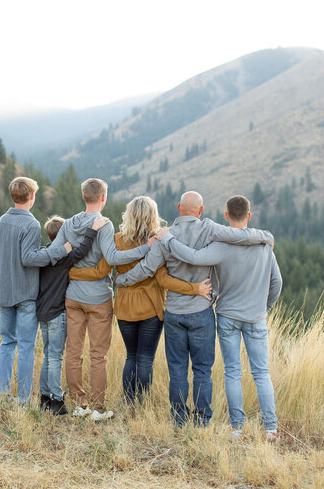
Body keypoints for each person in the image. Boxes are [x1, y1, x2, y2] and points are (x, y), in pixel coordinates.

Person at [115, 191, 274, 427]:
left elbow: (148, 268)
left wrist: (122, 280)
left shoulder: (164, 236)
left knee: (177, 369)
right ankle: (201, 420)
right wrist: (266, 235)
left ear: (179, 207)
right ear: (200, 211)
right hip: (201, 312)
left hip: (174, 313)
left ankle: (179, 419)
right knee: (202, 370)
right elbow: (240, 235)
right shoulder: (209, 229)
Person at [158, 195, 282, 440]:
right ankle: (270, 428)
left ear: (226, 215)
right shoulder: (264, 246)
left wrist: (168, 239)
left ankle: (236, 427)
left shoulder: (221, 245)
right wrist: (264, 307)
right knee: (261, 372)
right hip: (255, 316)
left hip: (227, 316)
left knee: (233, 372)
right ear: (249, 215)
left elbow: (192, 257)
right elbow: (276, 283)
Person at [70, 195, 212, 405]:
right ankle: (142, 403)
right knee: (145, 358)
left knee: (131, 356)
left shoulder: (117, 240)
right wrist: (194, 289)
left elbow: (100, 270)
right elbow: (163, 279)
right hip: (151, 307)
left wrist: (71, 273)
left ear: (129, 215)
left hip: (125, 308)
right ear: (152, 216)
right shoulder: (159, 240)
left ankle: (128, 402)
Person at [51, 178, 153, 421]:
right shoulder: (104, 224)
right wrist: (146, 248)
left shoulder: (68, 223)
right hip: (98, 297)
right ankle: (98, 408)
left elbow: (56, 253)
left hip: (72, 295)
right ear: (103, 198)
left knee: (73, 352)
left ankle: (79, 404)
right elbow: (113, 257)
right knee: (98, 355)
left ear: (83, 197)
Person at [0, 176, 72, 404]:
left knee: (6, 342)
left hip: (3, 293)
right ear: (31, 196)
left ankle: (2, 394)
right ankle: (23, 398)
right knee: (25, 346)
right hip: (25, 294)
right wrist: (59, 251)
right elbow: (29, 258)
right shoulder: (31, 224)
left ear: (13, 195)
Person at [36, 214, 109, 416]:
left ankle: (47, 396)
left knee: (50, 355)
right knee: (57, 356)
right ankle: (58, 399)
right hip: (58, 311)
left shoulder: (43, 255)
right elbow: (83, 250)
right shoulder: (64, 258)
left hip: (42, 311)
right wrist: (93, 229)